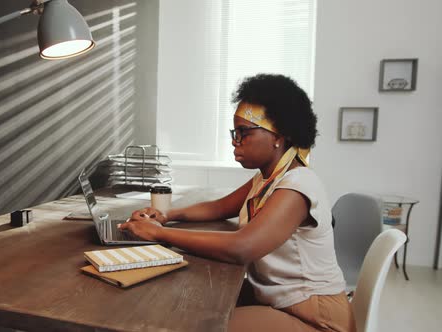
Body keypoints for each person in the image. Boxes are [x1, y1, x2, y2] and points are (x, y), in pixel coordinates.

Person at [119, 74, 356, 332]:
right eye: (235, 132)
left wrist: (160, 233)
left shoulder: (298, 185)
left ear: (280, 135)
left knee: (201, 325)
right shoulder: (267, 179)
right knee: (193, 300)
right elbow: (218, 207)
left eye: (244, 132)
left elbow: (242, 247)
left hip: (316, 318)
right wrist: (166, 215)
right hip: (278, 302)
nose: (235, 141)